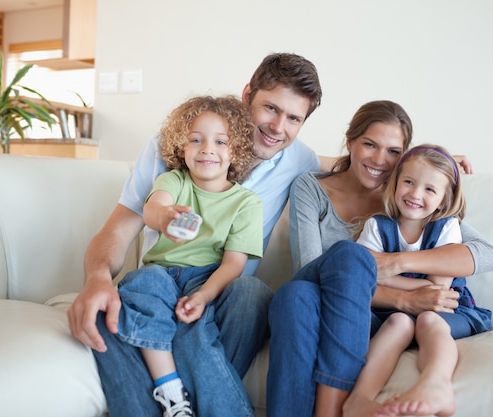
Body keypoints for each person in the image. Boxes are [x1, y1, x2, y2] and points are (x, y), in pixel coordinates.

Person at [66, 52, 322, 417]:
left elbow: (348, 178)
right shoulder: (178, 146)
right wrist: (96, 278)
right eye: (270, 108)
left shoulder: (301, 162)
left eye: (294, 118)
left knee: (252, 293)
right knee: (103, 317)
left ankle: (176, 395)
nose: (278, 127)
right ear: (247, 94)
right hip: (163, 286)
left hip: (223, 297)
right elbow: (119, 228)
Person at [267, 101, 493, 417]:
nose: (380, 159)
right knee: (311, 283)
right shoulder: (314, 188)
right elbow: (310, 270)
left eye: (393, 152)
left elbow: (486, 254)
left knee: (294, 296)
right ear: (350, 142)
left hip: (369, 316)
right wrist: (405, 300)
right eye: (369, 145)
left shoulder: (408, 200)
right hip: (346, 300)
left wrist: (398, 262)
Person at [113, 95, 263, 417]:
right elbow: (153, 208)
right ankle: (171, 393)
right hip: (162, 275)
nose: (207, 148)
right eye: (196, 139)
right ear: (182, 147)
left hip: (206, 277)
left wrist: (204, 296)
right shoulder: (173, 181)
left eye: (220, 141)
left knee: (205, 327)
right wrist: (166, 217)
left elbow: (234, 264)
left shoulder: (247, 203)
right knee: (140, 283)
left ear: (235, 150)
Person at [348, 144, 492, 417]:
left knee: (428, 319)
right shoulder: (377, 226)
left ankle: (435, 386)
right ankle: (359, 399)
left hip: (447, 311)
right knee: (398, 322)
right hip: (391, 310)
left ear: (444, 199)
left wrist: (388, 273)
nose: (415, 194)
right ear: (395, 183)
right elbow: (363, 275)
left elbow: (439, 290)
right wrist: (416, 286)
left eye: (429, 189)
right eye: (409, 182)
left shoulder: (447, 226)